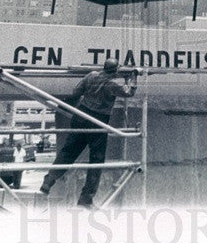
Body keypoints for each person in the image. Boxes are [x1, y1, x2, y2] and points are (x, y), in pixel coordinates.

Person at [39, 60, 138, 206]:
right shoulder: (112, 85)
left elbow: (76, 92)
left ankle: (48, 181)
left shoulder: (91, 75)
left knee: (68, 152)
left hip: (81, 115)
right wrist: (133, 77)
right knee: (96, 160)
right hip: (98, 120)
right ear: (115, 70)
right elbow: (129, 92)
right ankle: (86, 198)